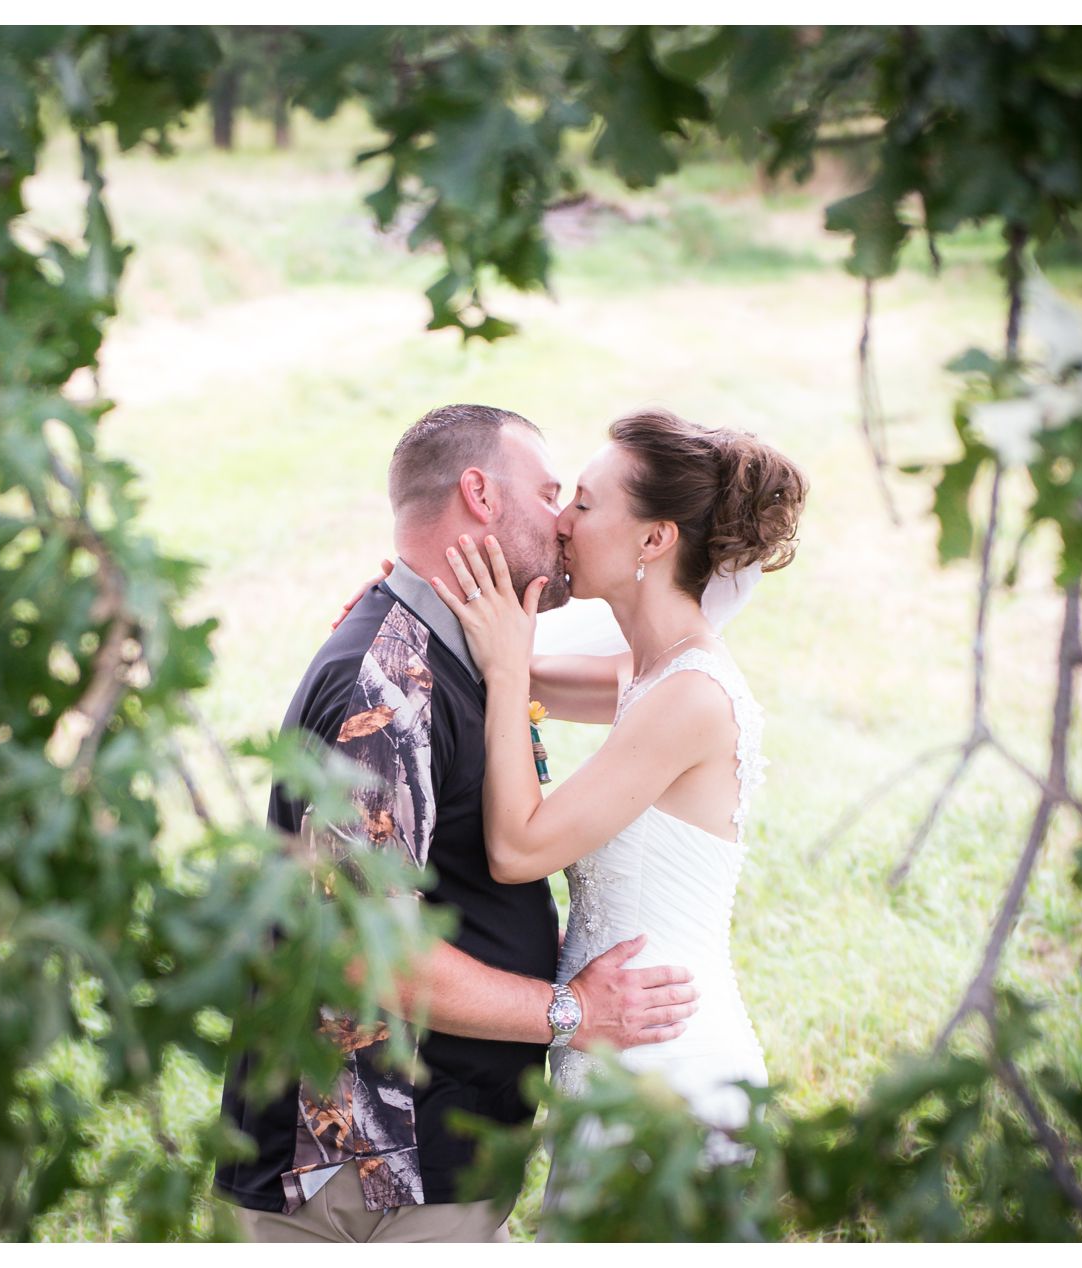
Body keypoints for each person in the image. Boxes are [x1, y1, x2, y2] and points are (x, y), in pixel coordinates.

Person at [213, 404, 706, 1243]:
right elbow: (371, 957)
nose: (563, 521)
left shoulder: (452, 654)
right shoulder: (385, 686)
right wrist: (575, 1012)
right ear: (479, 493)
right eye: (551, 492)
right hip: (367, 1172)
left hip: (435, 1157)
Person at [423, 407, 807, 1219]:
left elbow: (519, 847)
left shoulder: (690, 698)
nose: (560, 521)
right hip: (615, 1051)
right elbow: (520, 674)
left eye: (586, 504)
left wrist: (503, 663)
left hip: (666, 1068)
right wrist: (422, 613)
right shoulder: (646, 669)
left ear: (653, 540)